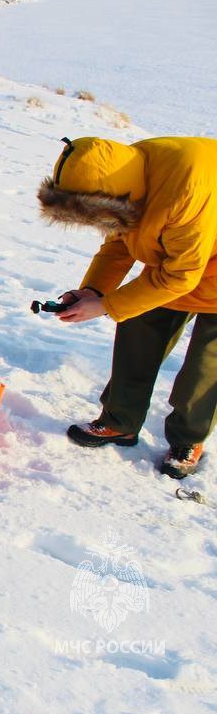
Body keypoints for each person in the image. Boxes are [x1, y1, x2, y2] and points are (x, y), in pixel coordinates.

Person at [39, 136, 217, 479]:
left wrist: (107, 305)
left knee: (205, 367)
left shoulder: (184, 190)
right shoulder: (127, 171)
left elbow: (181, 276)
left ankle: (188, 440)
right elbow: (119, 244)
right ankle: (119, 421)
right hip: (180, 261)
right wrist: (93, 291)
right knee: (137, 332)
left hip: (192, 268)